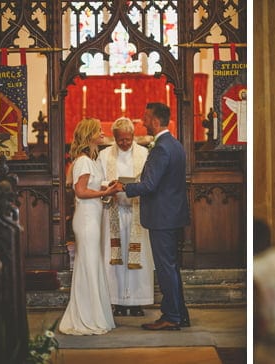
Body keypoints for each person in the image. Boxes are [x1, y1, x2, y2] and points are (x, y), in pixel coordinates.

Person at [115, 102, 191, 330]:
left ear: (156, 121)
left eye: (146, 117)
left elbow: (149, 185)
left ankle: (171, 317)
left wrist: (123, 187)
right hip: (172, 215)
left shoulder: (161, 148)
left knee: (166, 267)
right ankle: (180, 314)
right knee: (172, 266)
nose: (142, 121)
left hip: (162, 217)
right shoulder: (175, 144)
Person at [59, 118, 121, 335]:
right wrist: (106, 192)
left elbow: (91, 189)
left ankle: (95, 314)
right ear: (89, 135)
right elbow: (81, 191)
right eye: (98, 130)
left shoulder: (92, 160)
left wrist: (107, 189)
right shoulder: (83, 161)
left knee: (93, 264)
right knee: (88, 265)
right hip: (86, 219)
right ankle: (86, 316)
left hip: (94, 216)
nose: (102, 133)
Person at [99, 117, 152, 317]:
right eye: (120, 140)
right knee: (116, 258)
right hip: (114, 211)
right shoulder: (105, 155)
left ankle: (137, 302)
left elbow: (149, 180)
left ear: (133, 136)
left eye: (128, 139)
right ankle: (118, 302)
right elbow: (98, 181)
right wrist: (109, 184)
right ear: (114, 138)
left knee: (138, 257)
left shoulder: (144, 153)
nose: (125, 143)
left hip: (137, 210)